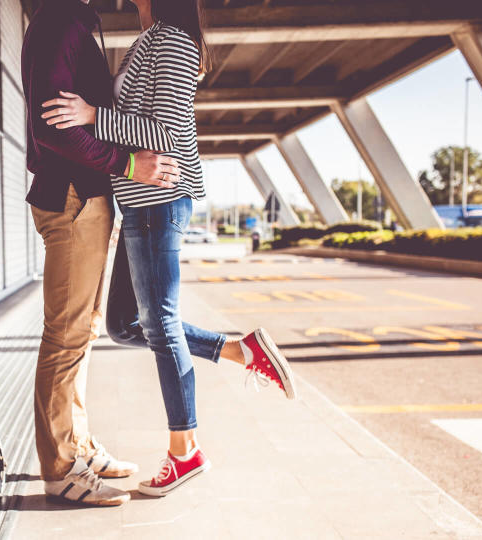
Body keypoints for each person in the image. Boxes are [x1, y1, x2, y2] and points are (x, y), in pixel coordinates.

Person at [40, 0, 296, 499]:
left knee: (159, 323)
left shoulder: (174, 41)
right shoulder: (151, 36)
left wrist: (93, 116)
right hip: (138, 204)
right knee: (126, 326)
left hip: (160, 202)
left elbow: (168, 135)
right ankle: (241, 350)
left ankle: (186, 451)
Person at [21, 0, 182, 507]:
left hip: (85, 196)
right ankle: (62, 469)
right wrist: (128, 161)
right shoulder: (57, 26)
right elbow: (54, 127)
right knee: (66, 334)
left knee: (84, 332)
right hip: (72, 198)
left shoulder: (72, 24)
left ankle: (80, 446)